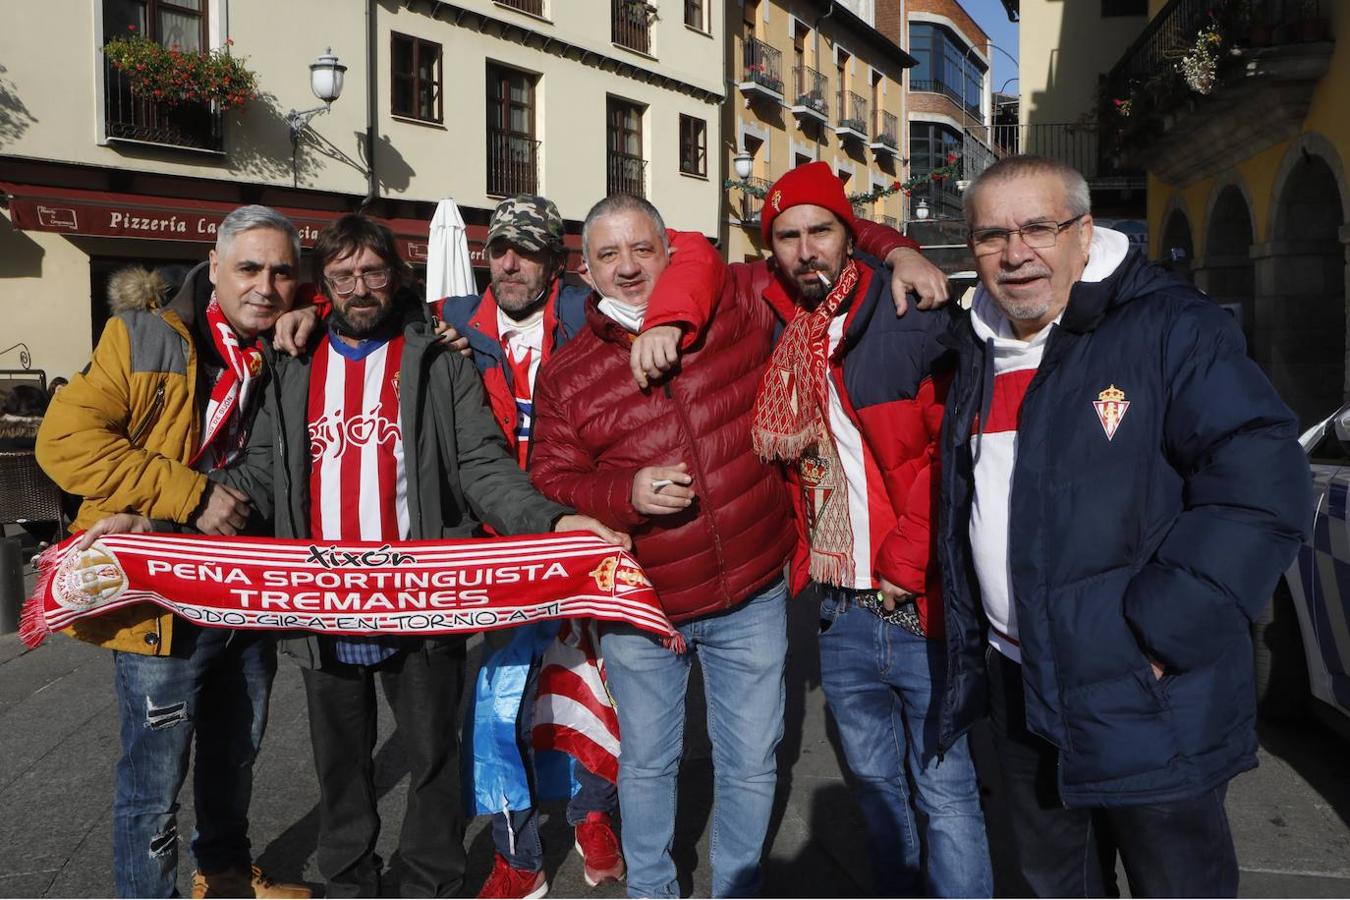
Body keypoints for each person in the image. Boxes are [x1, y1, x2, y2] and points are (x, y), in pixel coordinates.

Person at [216, 213, 628, 899]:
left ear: (396, 277)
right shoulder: (292, 363)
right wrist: (190, 515)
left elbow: (481, 465)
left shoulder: (438, 359)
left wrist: (553, 520)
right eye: (343, 275)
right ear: (323, 286)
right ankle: (351, 882)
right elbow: (261, 469)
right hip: (326, 607)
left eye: (374, 272)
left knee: (433, 757)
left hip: (423, 599)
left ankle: (428, 884)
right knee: (341, 767)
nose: (359, 287)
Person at [936, 155, 1311, 897]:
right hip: (1022, 684)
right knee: (1055, 883)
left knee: (1178, 884)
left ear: (1083, 232)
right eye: (991, 237)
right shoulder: (974, 343)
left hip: (1145, 687)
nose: (1015, 255)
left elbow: (1261, 485)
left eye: (1037, 228)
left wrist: (1165, 632)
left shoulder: (1172, 326)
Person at [436, 194, 719, 898]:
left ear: (558, 264)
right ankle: (519, 853)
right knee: (499, 709)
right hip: (502, 552)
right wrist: (303, 313)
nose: (509, 263)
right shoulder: (446, 328)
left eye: (528, 250)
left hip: (594, 541)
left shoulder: (596, 321)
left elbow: (690, 258)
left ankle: (594, 817)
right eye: (499, 248)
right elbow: (348, 317)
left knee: (601, 695)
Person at [35, 207, 309, 899]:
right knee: (153, 778)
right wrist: (187, 496)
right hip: (161, 594)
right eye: (248, 268)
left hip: (246, 588)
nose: (265, 286)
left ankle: (223, 876)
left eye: (281, 271)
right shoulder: (142, 337)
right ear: (212, 268)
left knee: (235, 751)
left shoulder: (287, 346)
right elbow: (63, 444)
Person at [753, 162, 991, 897]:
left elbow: (953, 461)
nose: (805, 250)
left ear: (848, 236)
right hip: (837, 610)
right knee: (878, 794)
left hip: (916, 603)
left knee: (947, 798)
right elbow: (694, 265)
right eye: (787, 237)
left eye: (820, 231)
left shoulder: (909, 318)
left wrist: (903, 561)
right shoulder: (779, 328)